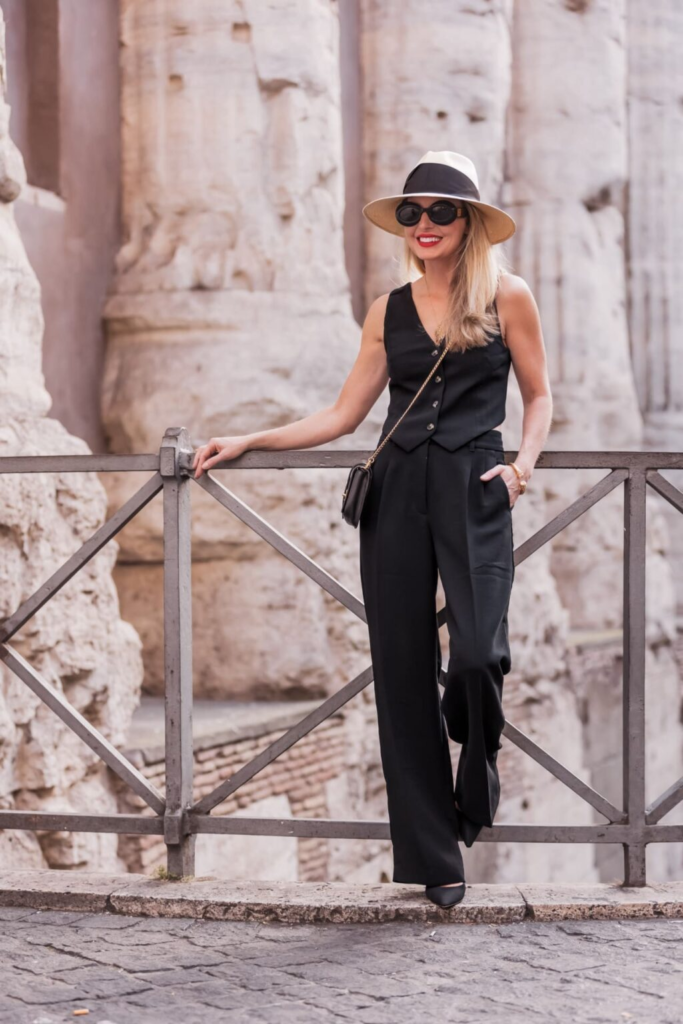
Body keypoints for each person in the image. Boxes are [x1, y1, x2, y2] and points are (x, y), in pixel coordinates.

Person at [192, 150, 552, 909]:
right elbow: (342, 414)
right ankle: (435, 858)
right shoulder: (388, 310)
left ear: (469, 222)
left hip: (475, 488)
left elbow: (540, 394)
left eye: (441, 211)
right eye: (413, 213)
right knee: (400, 667)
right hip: (397, 493)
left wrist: (520, 467)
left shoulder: (507, 295)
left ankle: (476, 767)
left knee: (478, 654)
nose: (424, 224)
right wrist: (250, 439)